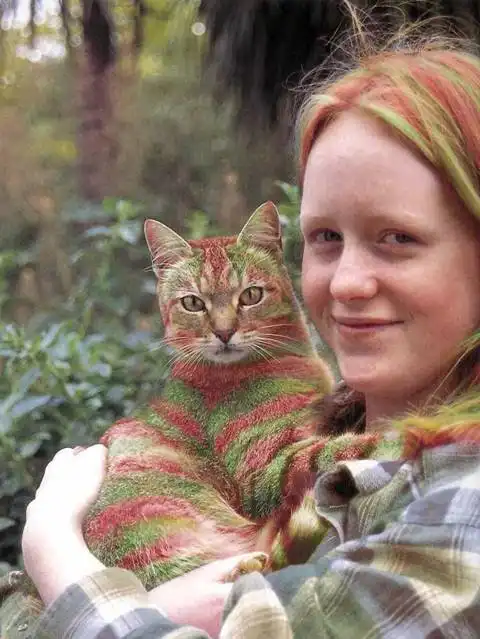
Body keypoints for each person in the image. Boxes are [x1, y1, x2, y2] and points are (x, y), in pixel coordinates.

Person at [16, 35, 480, 639]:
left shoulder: (462, 502)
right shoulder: (331, 412)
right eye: (325, 237)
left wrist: (55, 552)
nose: (346, 283)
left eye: (398, 238)